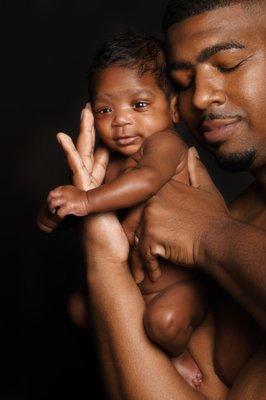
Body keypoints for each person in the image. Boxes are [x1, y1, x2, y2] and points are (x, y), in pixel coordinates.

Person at [39, 0, 266, 398]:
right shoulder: (234, 218)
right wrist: (104, 258)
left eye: (229, 64)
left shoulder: (211, 224)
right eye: (180, 82)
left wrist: (211, 235)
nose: (197, 99)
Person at [38, 33, 210, 389]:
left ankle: (177, 356)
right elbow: (96, 221)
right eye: (105, 109)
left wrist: (85, 200)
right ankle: (136, 351)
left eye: (139, 105)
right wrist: (56, 213)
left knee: (164, 323)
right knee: (78, 309)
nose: (120, 121)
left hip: (179, 287)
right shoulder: (109, 165)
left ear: (174, 108)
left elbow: (146, 181)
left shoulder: (165, 145)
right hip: (133, 292)